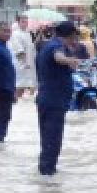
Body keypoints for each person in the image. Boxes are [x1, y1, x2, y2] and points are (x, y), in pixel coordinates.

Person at [34, 21, 81, 177]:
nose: (76, 40)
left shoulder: (48, 45)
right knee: (52, 142)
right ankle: (47, 178)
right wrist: (70, 60)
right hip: (53, 101)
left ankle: (46, 177)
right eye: (75, 37)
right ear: (70, 35)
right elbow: (58, 57)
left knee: (48, 141)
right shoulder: (56, 46)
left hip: (48, 100)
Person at [9, 13, 37, 101]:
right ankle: (15, 101)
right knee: (19, 85)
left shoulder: (28, 33)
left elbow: (30, 47)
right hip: (20, 65)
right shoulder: (15, 34)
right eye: (23, 21)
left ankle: (21, 101)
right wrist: (25, 63)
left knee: (28, 84)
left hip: (29, 64)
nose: (25, 23)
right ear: (18, 22)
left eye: (26, 21)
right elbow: (19, 50)